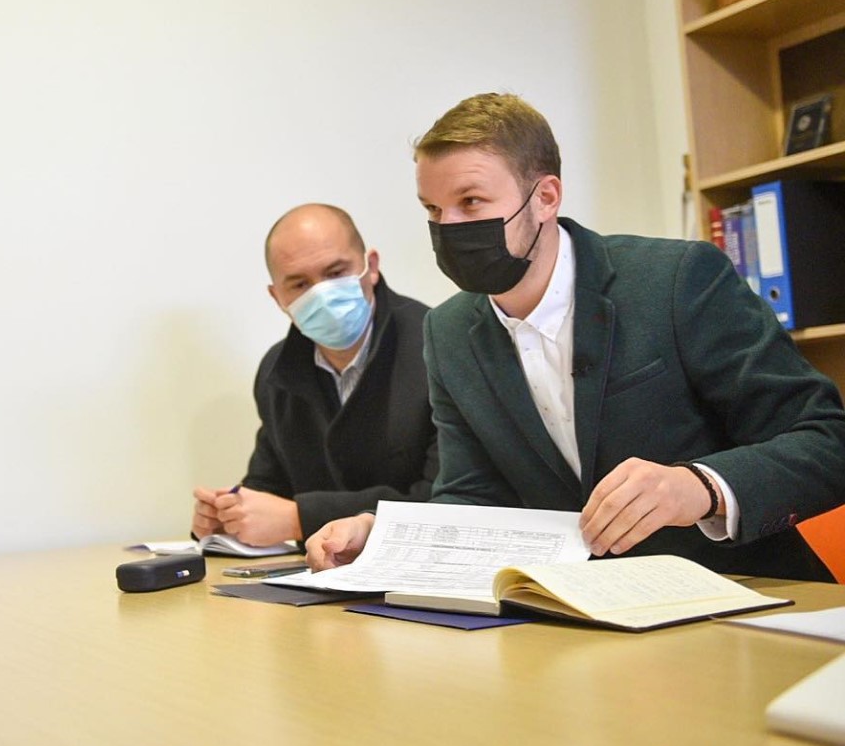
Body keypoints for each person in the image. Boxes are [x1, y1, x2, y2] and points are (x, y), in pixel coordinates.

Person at [308, 93, 845, 580]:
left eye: (470, 202)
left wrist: (700, 486)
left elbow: (826, 441)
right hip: (580, 615)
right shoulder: (448, 331)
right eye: (432, 209)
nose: (447, 227)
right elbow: (472, 496)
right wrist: (387, 536)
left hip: (745, 594)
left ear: (545, 197)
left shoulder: (676, 280)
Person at [191, 203, 437, 547]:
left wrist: (299, 519)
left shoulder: (437, 347)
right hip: (316, 571)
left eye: (335, 273)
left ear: (371, 266)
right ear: (277, 297)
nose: (321, 294)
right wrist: (229, 516)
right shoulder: (277, 371)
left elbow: (445, 501)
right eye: (299, 284)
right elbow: (268, 487)